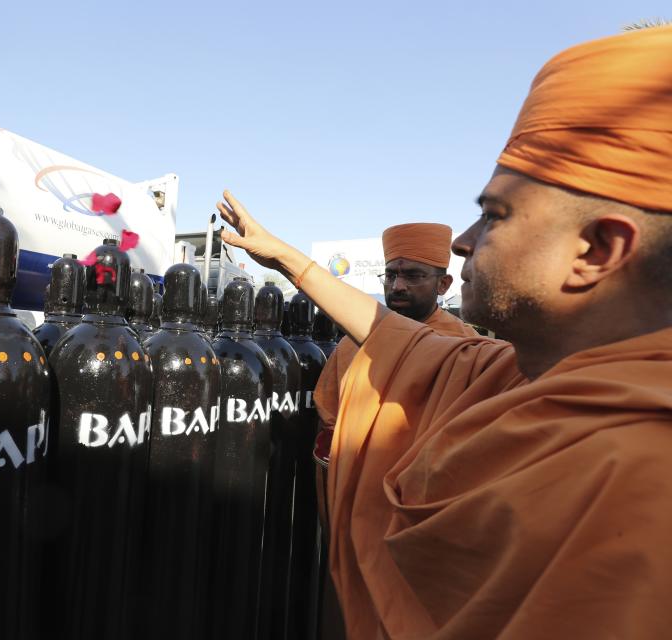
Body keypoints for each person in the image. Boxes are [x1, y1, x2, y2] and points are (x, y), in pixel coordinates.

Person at [217, 24, 672, 639]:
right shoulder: (516, 373)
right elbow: (393, 336)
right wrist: (290, 261)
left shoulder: (638, 481)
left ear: (595, 249)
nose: (464, 242)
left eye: (495, 215)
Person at [314, 222, 479, 436]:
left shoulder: (466, 345)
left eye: (413, 276)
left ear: (443, 285)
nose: (397, 286)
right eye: (390, 275)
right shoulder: (354, 342)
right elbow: (327, 421)